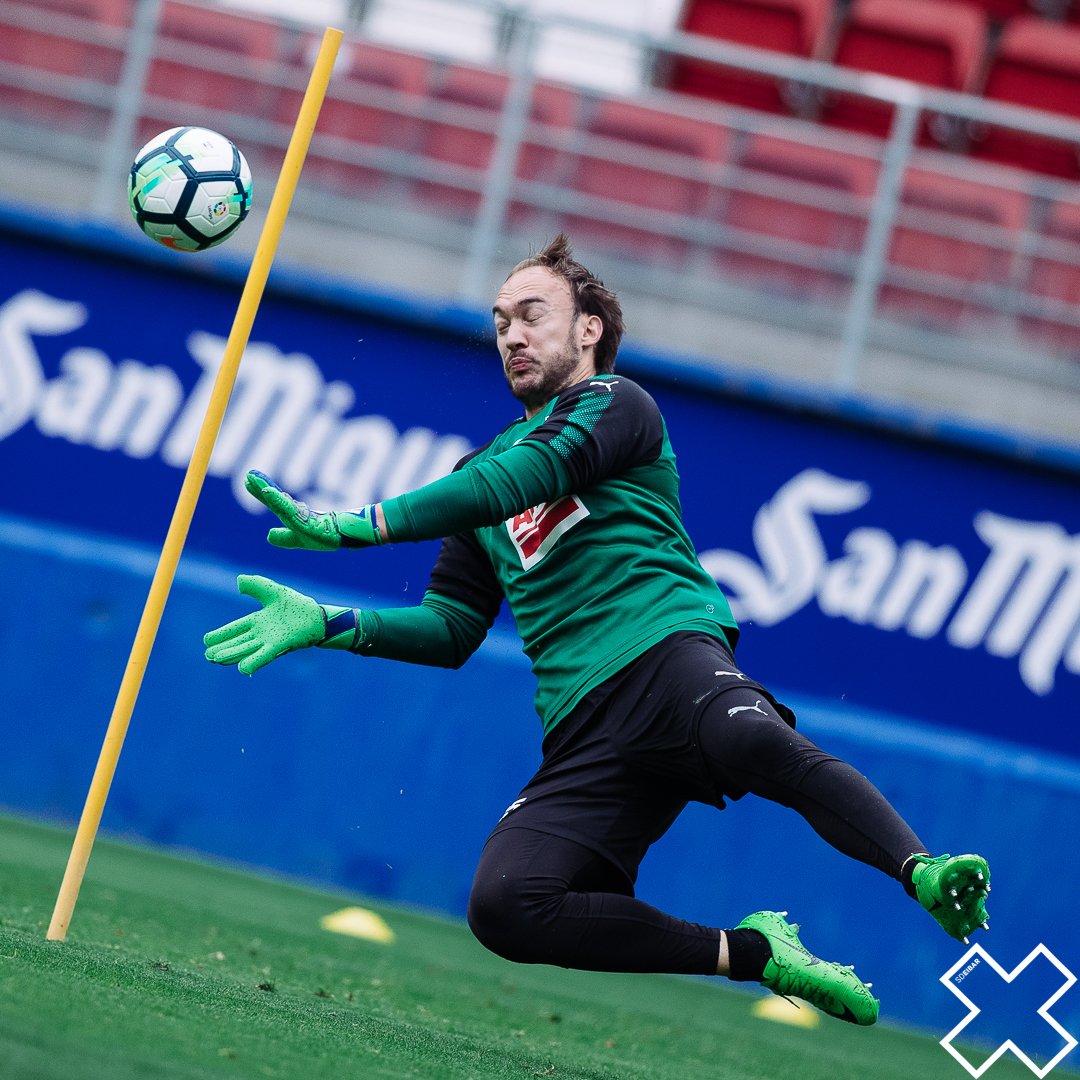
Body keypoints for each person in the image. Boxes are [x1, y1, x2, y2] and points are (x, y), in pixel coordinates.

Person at [204, 234, 990, 1026]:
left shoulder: (616, 405)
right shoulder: (475, 475)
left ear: (588, 330)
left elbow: (526, 477)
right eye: (500, 320)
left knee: (750, 741)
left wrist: (354, 525)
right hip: (584, 724)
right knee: (507, 907)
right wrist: (332, 622)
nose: (511, 334)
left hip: (668, 653)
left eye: (532, 314)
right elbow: (450, 628)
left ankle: (921, 869)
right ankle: (757, 954)